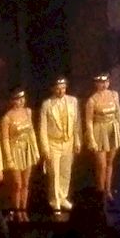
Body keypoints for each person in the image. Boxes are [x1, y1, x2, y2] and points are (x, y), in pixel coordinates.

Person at [38, 76, 82, 212]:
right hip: (53, 143)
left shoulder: (73, 101)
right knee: (54, 173)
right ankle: (54, 200)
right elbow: (43, 128)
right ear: (53, 89)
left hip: (68, 141)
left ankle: (63, 197)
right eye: (58, 88)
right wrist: (45, 148)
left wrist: (77, 140)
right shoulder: (47, 104)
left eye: (63, 88)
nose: (61, 91)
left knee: (65, 171)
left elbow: (77, 123)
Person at [85, 73, 120, 200]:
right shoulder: (92, 100)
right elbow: (89, 121)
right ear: (96, 84)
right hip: (99, 131)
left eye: (106, 82)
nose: (104, 85)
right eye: (101, 82)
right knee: (101, 165)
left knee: (110, 162)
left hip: (112, 129)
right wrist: (92, 139)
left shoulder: (114, 95)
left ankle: (108, 190)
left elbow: (119, 113)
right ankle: (100, 191)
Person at [0, 88, 40, 218]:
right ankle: (16, 211)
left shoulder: (28, 112)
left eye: (22, 98)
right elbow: (5, 139)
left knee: (26, 183)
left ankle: (24, 210)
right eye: (18, 99)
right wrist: (9, 158)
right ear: (12, 100)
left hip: (27, 149)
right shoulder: (7, 118)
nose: (21, 101)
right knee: (17, 184)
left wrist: (36, 150)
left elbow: (31, 132)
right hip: (15, 151)